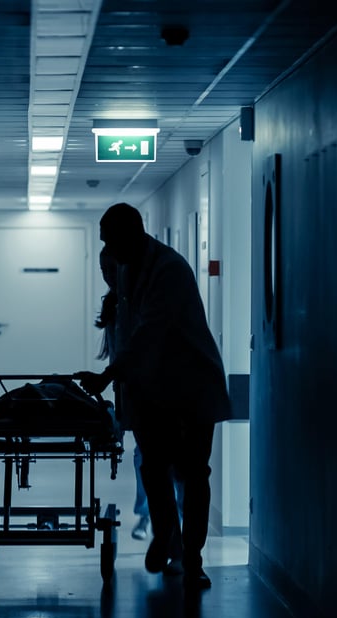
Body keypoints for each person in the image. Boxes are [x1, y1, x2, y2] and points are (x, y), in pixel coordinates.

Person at [77, 203, 231, 590]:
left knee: (195, 475)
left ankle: (192, 560)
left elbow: (150, 333)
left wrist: (110, 376)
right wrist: (121, 394)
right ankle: (167, 537)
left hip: (191, 388)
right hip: (150, 390)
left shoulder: (170, 270)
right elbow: (127, 336)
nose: (108, 250)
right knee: (153, 469)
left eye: (111, 241)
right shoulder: (127, 268)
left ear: (133, 233)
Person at [95, 246, 183, 569]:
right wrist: (121, 413)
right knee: (148, 464)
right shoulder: (114, 306)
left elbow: (143, 349)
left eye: (112, 270)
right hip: (140, 399)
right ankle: (165, 535)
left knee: (176, 470)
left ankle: (178, 544)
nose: (109, 277)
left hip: (169, 396)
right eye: (104, 271)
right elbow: (118, 359)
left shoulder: (151, 296)